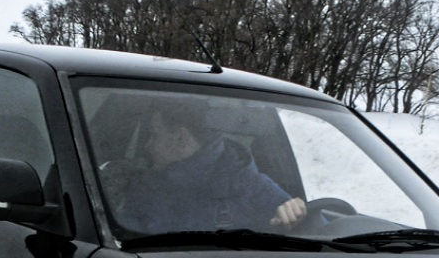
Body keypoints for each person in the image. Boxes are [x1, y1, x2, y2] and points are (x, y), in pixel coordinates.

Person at [115, 99, 308, 234]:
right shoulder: (141, 186)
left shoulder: (253, 187)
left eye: (154, 135)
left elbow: (318, 235)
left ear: (181, 138)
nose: (147, 145)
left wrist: (299, 216)